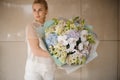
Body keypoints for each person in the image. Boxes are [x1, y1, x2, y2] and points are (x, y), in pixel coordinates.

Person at [24, 0, 56, 80]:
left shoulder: (52, 27)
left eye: (40, 10)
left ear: (46, 11)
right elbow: (36, 51)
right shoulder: (31, 27)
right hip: (34, 68)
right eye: (34, 10)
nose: (37, 13)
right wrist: (57, 56)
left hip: (49, 67)